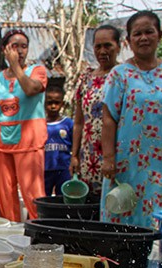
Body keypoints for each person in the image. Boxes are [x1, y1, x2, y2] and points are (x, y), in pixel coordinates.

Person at [101, 11, 162, 229]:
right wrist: (109, 158)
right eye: (137, 34)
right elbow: (108, 118)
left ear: (159, 34)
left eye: (149, 32)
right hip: (127, 163)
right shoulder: (119, 75)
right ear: (128, 40)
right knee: (124, 214)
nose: (143, 38)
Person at [0, 28, 48, 222]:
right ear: (5, 50)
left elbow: (31, 89)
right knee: (5, 196)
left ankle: (41, 238)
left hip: (29, 144)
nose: (20, 51)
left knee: (33, 195)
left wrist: (16, 67)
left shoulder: (37, 72)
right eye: (14, 46)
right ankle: (10, 235)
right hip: (3, 145)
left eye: (23, 46)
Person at [70, 24, 122, 196]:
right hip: (89, 157)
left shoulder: (125, 76)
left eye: (108, 45)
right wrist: (75, 155)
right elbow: (78, 122)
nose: (102, 51)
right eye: (98, 46)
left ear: (118, 46)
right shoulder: (86, 79)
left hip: (117, 155)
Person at [43, 86, 74, 196]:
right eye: (49, 103)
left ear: (62, 104)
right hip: (45, 168)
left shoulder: (68, 123)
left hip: (63, 168)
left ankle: (61, 214)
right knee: (44, 197)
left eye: (57, 103)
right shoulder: (40, 124)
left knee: (63, 197)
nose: (53, 106)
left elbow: (75, 145)